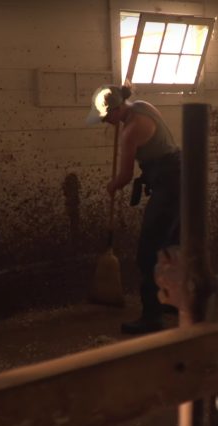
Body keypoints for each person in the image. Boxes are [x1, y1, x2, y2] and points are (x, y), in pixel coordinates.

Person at [86, 82, 180, 334]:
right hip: (182, 177)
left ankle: (152, 317)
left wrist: (112, 185)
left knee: (148, 252)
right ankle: (173, 302)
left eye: (107, 117)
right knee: (172, 245)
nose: (106, 122)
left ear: (117, 109)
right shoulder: (143, 107)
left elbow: (125, 175)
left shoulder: (130, 131)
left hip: (169, 185)